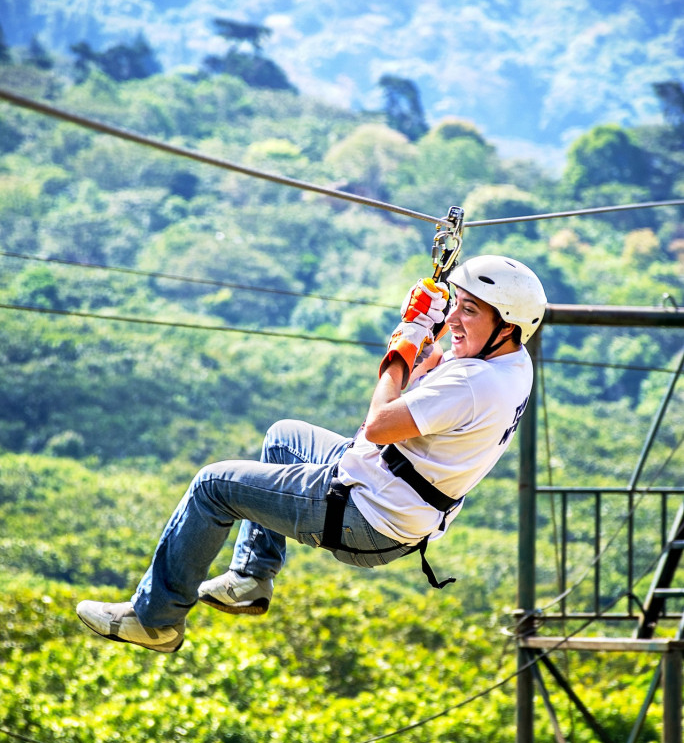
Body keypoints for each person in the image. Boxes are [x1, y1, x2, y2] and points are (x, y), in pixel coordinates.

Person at [77, 254, 547, 653]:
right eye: (457, 308)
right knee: (284, 437)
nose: (456, 322)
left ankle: (155, 619)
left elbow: (380, 424)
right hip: (399, 495)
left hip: (367, 514)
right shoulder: (511, 362)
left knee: (213, 486)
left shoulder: (473, 384)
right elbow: (439, 369)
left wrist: (404, 344)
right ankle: (250, 577)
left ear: (506, 327)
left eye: (471, 312)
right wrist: (431, 330)